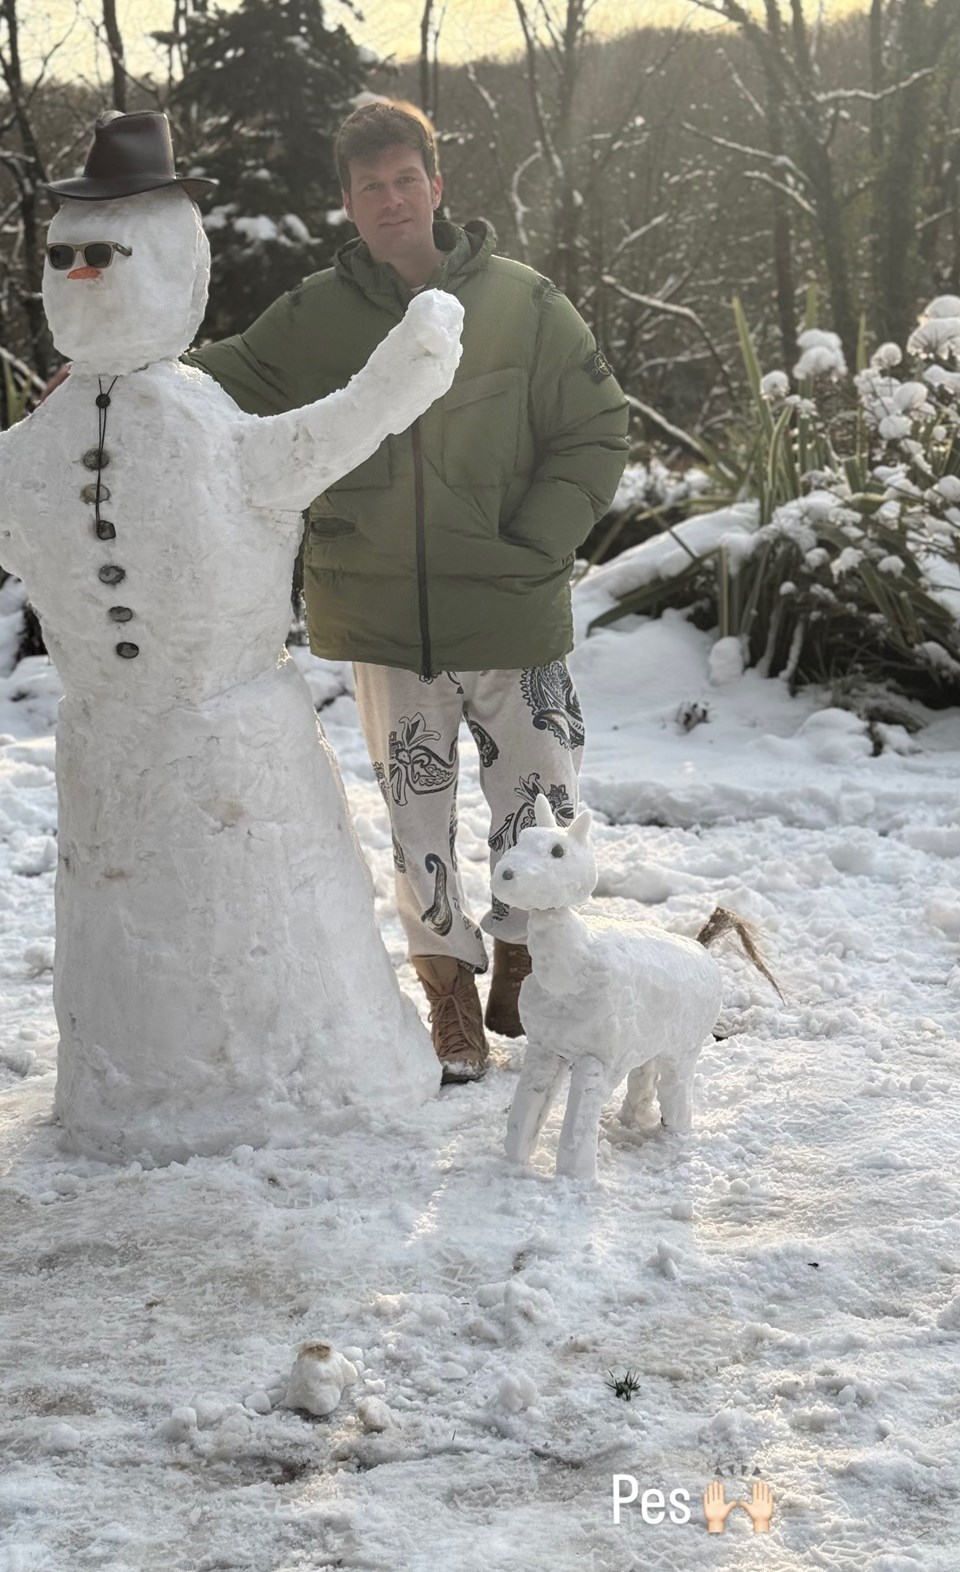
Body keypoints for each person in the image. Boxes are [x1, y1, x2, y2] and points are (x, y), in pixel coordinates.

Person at [186, 99, 629, 1084]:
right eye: (369, 187)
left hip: (513, 610)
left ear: (437, 185)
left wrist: (535, 540)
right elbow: (217, 384)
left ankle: (529, 961)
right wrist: (109, 380)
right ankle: (451, 994)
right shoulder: (314, 316)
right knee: (414, 819)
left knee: (541, 802)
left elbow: (597, 431)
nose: (390, 201)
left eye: (405, 180)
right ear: (346, 203)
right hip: (385, 620)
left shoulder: (523, 301)